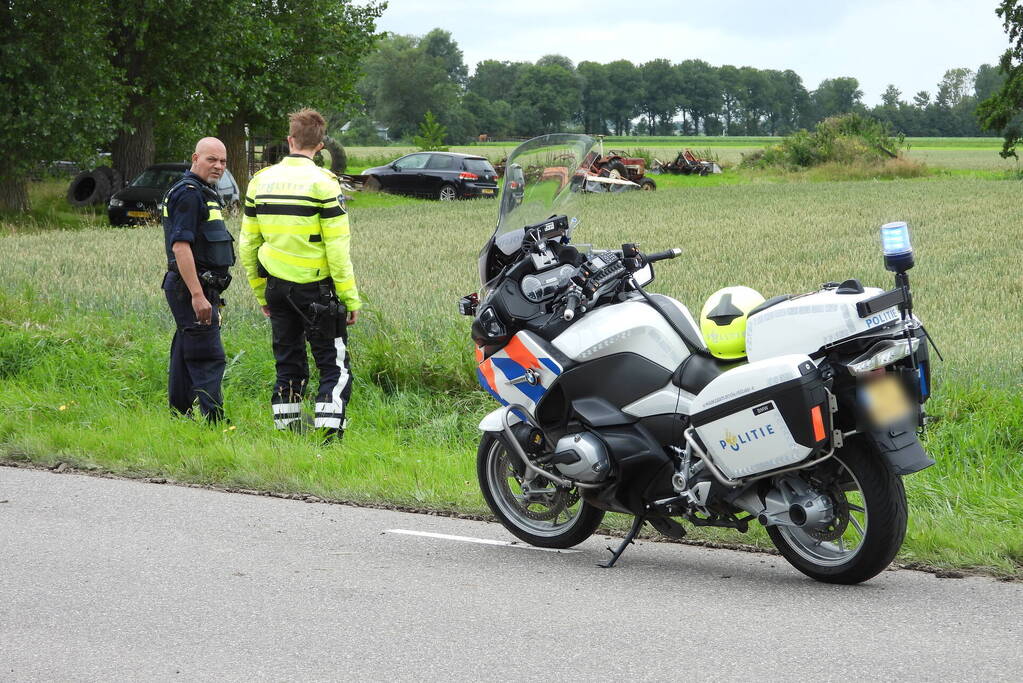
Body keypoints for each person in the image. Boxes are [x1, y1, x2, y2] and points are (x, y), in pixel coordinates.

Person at [239, 109, 361, 443]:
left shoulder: (259, 181)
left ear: (290, 140)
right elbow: (337, 251)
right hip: (316, 290)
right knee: (333, 364)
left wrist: (261, 291)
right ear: (321, 146)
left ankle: (287, 436)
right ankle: (328, 438)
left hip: (276, 287)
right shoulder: (325, 183)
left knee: (287, 361)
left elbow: (248, 244)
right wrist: (350, 298)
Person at [161, 137, 235, 422]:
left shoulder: (202, 192)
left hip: (198, 286)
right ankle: (215, 422)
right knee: (208, 355)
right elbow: (181, 246)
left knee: (185, 350)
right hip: (191, 287)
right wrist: (197, 295)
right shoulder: (190, 194)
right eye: (211, 159)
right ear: (195, 158)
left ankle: (180, 416)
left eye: (223, 161)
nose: (218, 166)